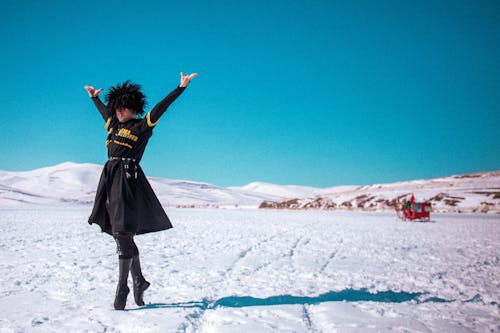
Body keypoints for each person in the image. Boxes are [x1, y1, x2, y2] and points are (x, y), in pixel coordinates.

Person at [84, 72, 198, 310]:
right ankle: (138, 279)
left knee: (123, 231)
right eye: (116, 108)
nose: (118, 111)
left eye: (123, 108)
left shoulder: (141, 125)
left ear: (132, 108)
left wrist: (181, 87)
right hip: (109, 179)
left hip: (128, 180)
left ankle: (123, 287)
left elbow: (161, 108)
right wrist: (95, 98)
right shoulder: (114, 123)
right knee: (120, 232)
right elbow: (104, 112)